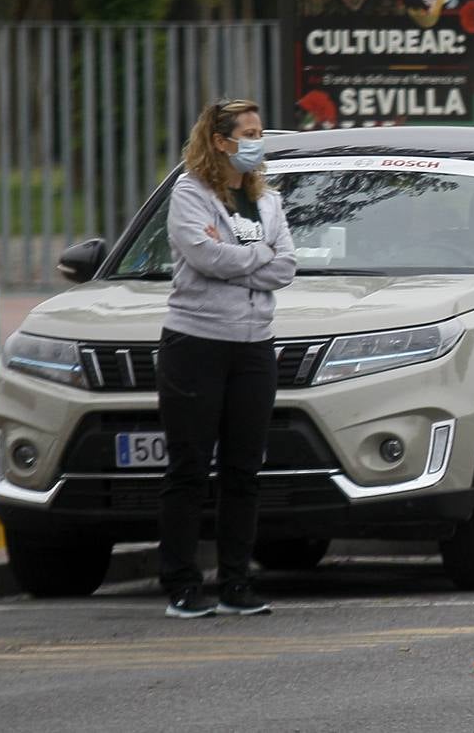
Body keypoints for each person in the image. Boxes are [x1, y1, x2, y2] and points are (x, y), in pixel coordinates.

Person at [158, 98, 295, 618]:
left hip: (255, 346)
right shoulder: (189, 194)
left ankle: (237, 582)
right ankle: (182, 585)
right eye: (249, 132)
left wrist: (243, 258)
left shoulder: (269, 201)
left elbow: (286, 267)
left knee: (243, 470)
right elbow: (204, 256)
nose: (257, 141)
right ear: (220, 142)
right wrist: (255, 258)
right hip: (196, 344)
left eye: (260, 132)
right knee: (189, 468)